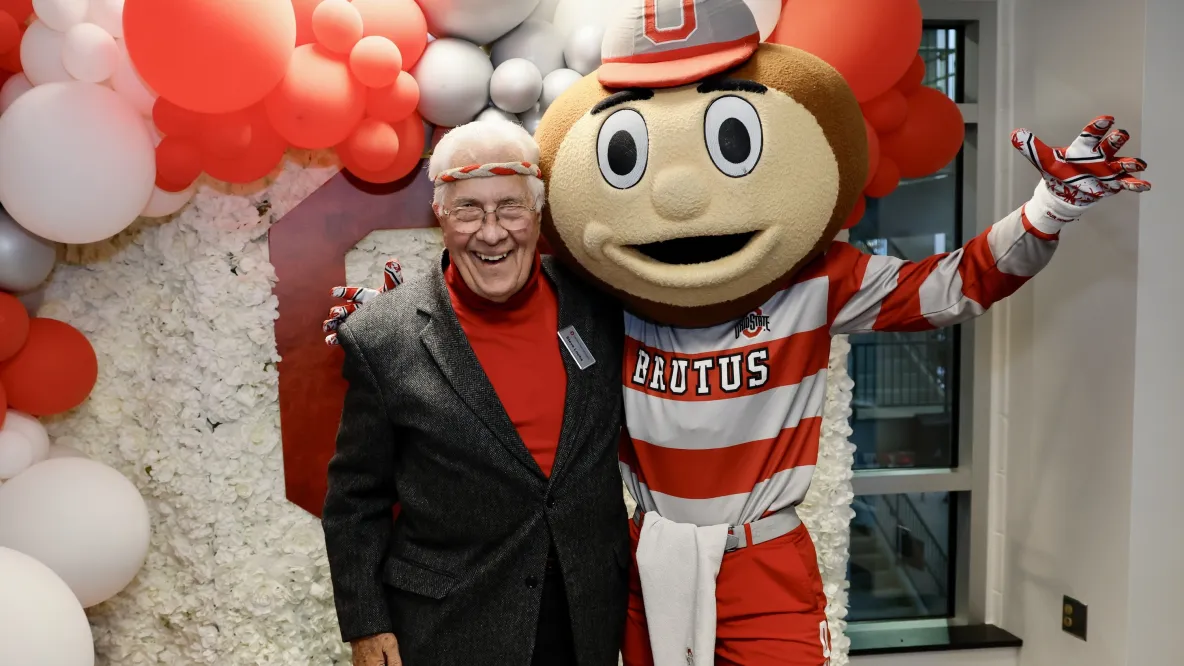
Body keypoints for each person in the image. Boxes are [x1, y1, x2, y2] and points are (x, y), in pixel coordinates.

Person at [329, 1, 1151, 664]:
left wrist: (1050, 209)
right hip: (645, 559)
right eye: (470, 213)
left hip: (763, 557)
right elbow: (484, 294)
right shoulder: (613, 289)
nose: (683, 201)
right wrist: (403, 305)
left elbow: (955, 285)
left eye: (510, 209)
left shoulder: (814, 280)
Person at [321, 119, 629, 666]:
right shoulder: (381, 337)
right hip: (451, 624)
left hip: (588, 615)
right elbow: (355, 499)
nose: (491, 232)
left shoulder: (600, 304)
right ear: (440, 215)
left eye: (510, 207)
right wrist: (366, 624)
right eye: (468, 209)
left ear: (537, 214)